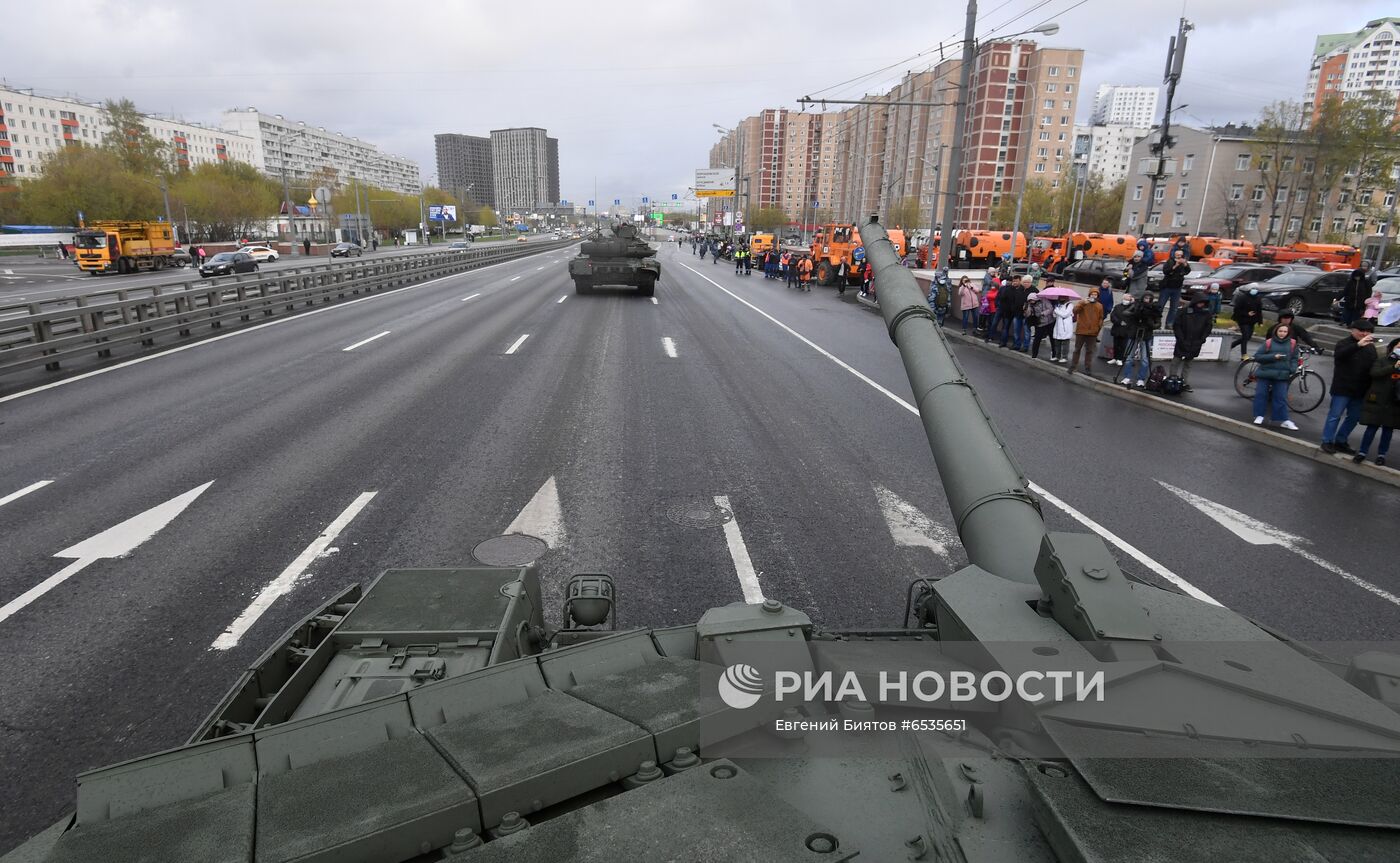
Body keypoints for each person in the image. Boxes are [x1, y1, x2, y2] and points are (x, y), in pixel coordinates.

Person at [1321, 318, 1379, 455]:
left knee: (1354, 417)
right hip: (1342, 387)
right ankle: (1327, 441)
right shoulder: (1343, 343)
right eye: (1361, 331)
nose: (1364, 334)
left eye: (1368, 331)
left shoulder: (1371, 348)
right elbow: (1340, 355)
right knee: (1334, 416)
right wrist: (1358, 345)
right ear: (1353, 330)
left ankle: (1341, 440)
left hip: (1360, 389)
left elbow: (1373, 366)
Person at [1353, 337, 1400, 466]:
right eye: (1398, 347)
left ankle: (1381, 455)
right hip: (1377, 399)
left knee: (1388, 431)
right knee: (1371, 428)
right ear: (1392, 348)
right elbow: (1375, 373)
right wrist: (1393, 367)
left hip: (1393, 402)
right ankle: (1362, 452)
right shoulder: (1382, 361)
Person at [1251, 322, 1302, 430]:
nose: (1282, 333)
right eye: (1280, 331)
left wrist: (1292, 369)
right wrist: (1273, 356)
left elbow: (1294, 359)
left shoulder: (1292, 344)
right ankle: (1259, 415)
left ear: (1288, 333)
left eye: (1285, 331)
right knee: (1261, 394)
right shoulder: (1269, 342)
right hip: (1266, 373)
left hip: (1282, 374)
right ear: (1276, 331)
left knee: (1280, 397)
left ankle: (1283, 419)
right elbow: (1258, 356)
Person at [1168, 292, 1214, 392]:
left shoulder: (1206, 314)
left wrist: (1202, 339)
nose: (1201, 305)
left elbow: (1208, 327)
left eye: (1203, 303)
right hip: (1183, 340)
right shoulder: (1184, 312)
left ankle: (1184, 382)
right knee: (1176, 360)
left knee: (1188, 363)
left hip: (1196, 342)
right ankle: (1172, 379)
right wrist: (1180, 338)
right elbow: (1177, 325)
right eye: (1200, 302)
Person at [1120, 291, 1160, 387]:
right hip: (1134, 332)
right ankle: (1127, 377)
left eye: (1149, 298)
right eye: (1145, 298)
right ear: (1142, 298)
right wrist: (1134, 314)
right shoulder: (1137, 305)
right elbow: (1125, 312)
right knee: (1129, 357)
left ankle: (1141, 379)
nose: (1147, 300)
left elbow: (1158, 323)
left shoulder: (1153, 308)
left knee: (1145, 359)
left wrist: (1151, 323)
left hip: (1146, 334)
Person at [1068, 288, 1105, 377]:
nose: (1093, 296)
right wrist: (1082, 303)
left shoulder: (1099, 306)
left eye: (1095, 295)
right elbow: (1075, 311)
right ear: (1089, 295)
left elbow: (1101, 318)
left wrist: (1098, 328)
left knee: (1089, 351)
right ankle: (1073, 366)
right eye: (1092, 294)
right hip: (1081, 330)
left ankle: (1088, 367)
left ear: (1097, 296)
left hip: (1092, 332)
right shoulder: (1083, 303)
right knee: (1077, 350)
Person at [1158, 249, 1192, 327]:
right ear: (1174, 254)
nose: (1179, 256)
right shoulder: (1170, 261)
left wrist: (1185, 265)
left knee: (1174, 308)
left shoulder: (1183, 262)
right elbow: (1166, 271)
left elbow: (1187, 271)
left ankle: (1169, 323)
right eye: (1177, 254)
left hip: (1177, 287)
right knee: (1160, 306)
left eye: (1180, 254)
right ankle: (1157, 322)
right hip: (1167, 287)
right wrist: (1175, 266)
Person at [1231, 287, 1263, 359]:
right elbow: (1237, 309)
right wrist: (1246, 313)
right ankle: (1244, 354)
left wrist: (1260, 322)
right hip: (1243, 320)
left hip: (1252, 321)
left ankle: (1231, 345)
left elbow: (1259, 311)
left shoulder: (1258, 299)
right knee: (1245, 336)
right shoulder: (1243, 297)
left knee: (1248, 337)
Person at [1108, 294, 1135, 367]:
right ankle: (1115, 358)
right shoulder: (1117, 307)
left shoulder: (1132, 308)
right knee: (1116, 345)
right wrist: (1119, 322)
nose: (1125, 300)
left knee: (1123, 346)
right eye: (1124, 299)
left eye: (1127, 299)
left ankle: (1120, 359)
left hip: (1126, 330)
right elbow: (1112, 316)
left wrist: (1133, 303)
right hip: (1117, 328)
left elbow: (1133, 317)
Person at [1027, 290, 1055, 359]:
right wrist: (1027, 311)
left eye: (1032, 300)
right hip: (1039, 323)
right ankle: (1034, 354)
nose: (1031, 302)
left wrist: (1043, 313)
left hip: (1049, 322)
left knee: (1052, 338)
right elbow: (1028, 314)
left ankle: (1054, 353)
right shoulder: (1030, 305)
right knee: (1037, 339)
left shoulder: (1044, 300)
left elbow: (1050, 308)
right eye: (1030, 301)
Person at [1051, 297, 1075, 364]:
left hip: (1065, 327)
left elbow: (1065, 315)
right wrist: (1055, 311)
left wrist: (1056, 310)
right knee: (1057, 343)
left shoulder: (1070, 305)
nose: (1061, 298)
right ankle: (1057, 356)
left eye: (1063, 297)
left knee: (1065, 343)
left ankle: (1064, 357)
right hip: (1058, 326)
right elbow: (1055, 316)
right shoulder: (1058, 305)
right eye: (1060, 297)